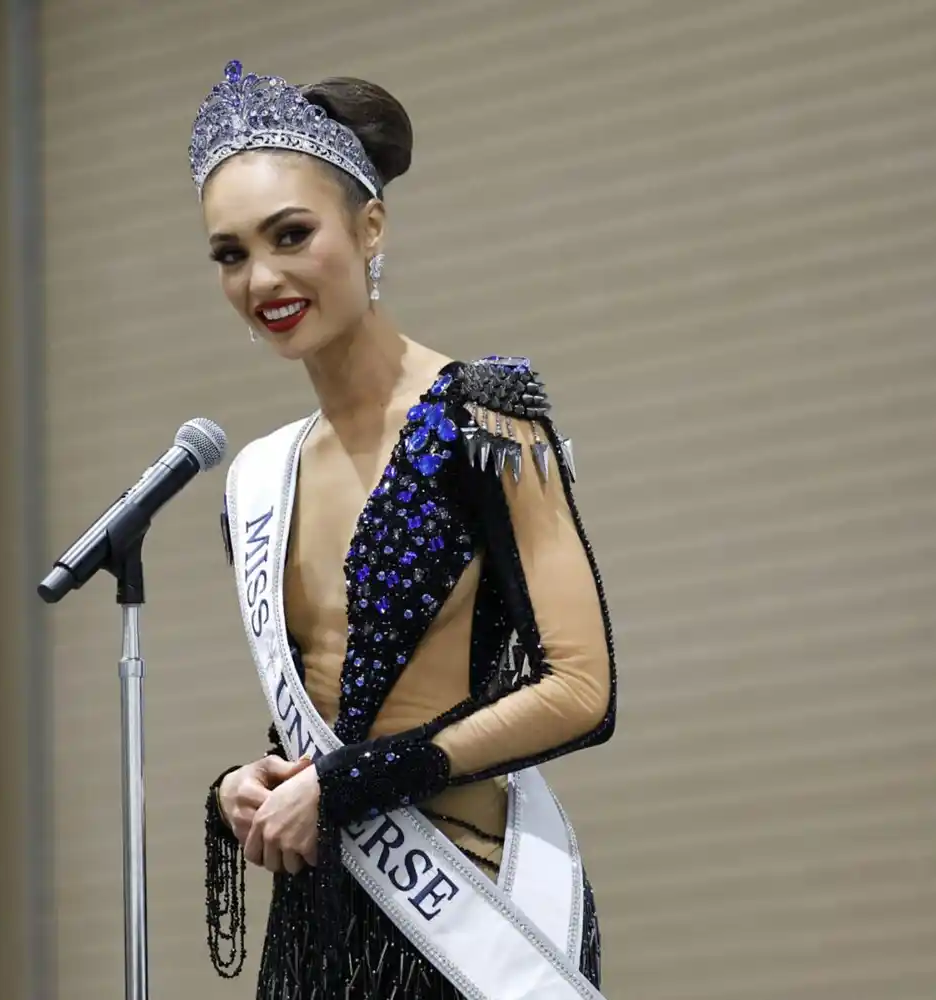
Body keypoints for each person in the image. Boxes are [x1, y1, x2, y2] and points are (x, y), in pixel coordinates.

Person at [193, 60, 618, 999]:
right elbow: (321, 709)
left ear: (371, 223)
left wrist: (350, 786)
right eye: (230, 254)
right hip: (320, 918)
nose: (263, 278)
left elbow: (584, 688)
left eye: (291, 234)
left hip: (470, 908)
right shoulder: (260, 478)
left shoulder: (484, 417)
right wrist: (251, 785)